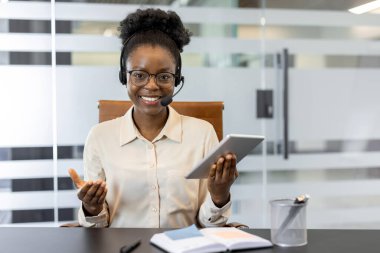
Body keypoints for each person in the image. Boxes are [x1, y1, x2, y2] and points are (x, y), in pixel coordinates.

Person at [69, 8, 238, 228]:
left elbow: (210, 227)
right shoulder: (100, 137)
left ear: (176, 79)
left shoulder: (203, 134)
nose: (151, 85)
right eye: (139, 75)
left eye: (164, 76)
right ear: (124, 75)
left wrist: (219, 195)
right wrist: (92, 208)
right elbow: (98, 228)